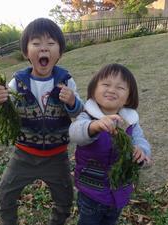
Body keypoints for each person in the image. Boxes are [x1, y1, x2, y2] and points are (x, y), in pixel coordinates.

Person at [0, 18, 83, 225]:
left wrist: (72, 101)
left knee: (65, 199)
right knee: (5, 194)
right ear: (26, 52)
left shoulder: (66, 81)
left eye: (50, 44)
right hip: (23, 155)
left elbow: (79, 113)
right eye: (36, 43)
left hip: (57, 157)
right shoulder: (18, 82)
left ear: (59, 52)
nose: (44, 49)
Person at [69, 63, 151, 225]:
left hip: (119, 192)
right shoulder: (87, 116)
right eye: (106, 84)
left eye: (120, 88)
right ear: (93, 90)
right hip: (91, 192)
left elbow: (140, 140)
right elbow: (75, 132)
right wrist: (94, 127)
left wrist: (142, 151)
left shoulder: (130, 122)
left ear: (129, 97)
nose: (112, 90)